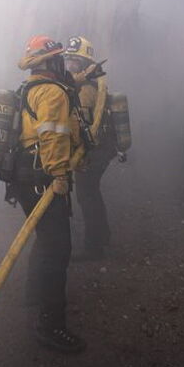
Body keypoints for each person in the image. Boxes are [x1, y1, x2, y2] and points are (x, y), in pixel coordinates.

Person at [12, 34, 86, 353]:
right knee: (58, 249)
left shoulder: (30, 88)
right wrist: (59, 176)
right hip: (44, 178)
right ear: (50, 62)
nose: (63, 63)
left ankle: (33, 294)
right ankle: (50, 325)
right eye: (59, 59)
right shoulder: (53, 93)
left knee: (44, 239)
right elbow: (54, 137)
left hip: (24, 178)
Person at [64, 36, 117, 261]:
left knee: (87, 196)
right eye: (68, 59)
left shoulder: (86, 88)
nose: (69, 65)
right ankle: (102, 236)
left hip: (94, 149)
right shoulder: (85, 82)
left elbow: (84, 125)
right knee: (91, 193)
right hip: (100, 147)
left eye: (75, 61)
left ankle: (94, 247)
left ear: (86, 64)